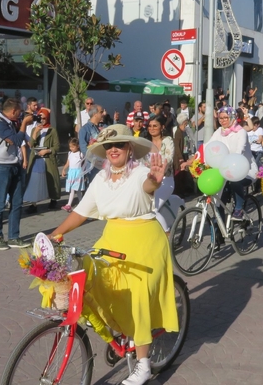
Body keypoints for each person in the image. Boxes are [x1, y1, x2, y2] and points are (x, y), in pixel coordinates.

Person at [49, 125, 177, 385]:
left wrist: (156, 178)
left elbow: (149, 184)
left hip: (144, 239)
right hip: (112, 238)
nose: (114, 149)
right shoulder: (101, 179)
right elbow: (81, 212)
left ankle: (143, 365)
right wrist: (55, 234)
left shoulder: (141, 172)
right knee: (88, 278)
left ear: (130, 148)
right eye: (109, 146)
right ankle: (117, 330)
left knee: (136, 296)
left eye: (119, 144)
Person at [180, 106, 257, 220]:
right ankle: (218, 232)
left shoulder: (241, 132)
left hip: (245, 170)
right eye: (220, 118)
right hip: (223, 170)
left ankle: (238, 210)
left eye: (226, 117)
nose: (222, 120)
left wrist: (231, 166)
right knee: (218, 201)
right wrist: (190, 161)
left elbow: (239, 152)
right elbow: (206, 147)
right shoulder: (219, 132)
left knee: (235, 182)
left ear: (232, 118)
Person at [0, 98, 32, 250]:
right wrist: (25, 124)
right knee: (0, 204)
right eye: (20, 112)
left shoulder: (12, 122)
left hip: (15, 165)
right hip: (1, 167)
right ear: (13, 111)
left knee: (17, 203)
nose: (21, 115)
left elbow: (26, 141)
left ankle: (13, 236)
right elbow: (15, 140)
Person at [25, 108, 61, 212]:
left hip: (47, 158)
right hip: (36, 158)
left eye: (44, 118)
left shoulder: (52, 130)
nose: (42, 120)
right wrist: (35, 133)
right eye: (40, 118)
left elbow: (57, 146)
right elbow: (31, 144)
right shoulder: (34, 129)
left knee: (51, 180)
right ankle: (33, 204)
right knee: (34, 180)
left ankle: (53, 199)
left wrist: (48, 151)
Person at [143, 115, 175, 232]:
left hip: (165, 180)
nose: (151, 128)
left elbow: (169, 159)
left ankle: (167, 234)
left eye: (155, 126)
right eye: (150, 126)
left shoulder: (167, 140)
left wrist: (158, 168)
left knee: (152, 209)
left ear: (162, 127)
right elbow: (140, 161)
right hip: (149, 180)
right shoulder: (146, 143)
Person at [61, 138, 84, 213]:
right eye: (70, 147)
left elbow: (85, 163)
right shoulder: (70, 153)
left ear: (78, 146)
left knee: (73, 189)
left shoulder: (81, 154)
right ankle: (82, 204)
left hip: (78, 173)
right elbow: (68, 163)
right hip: (71, 173)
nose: (71, 148)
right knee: (77, 191)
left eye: (73, 147)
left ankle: (69, 205)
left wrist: (84, 172)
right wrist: (64, 169)